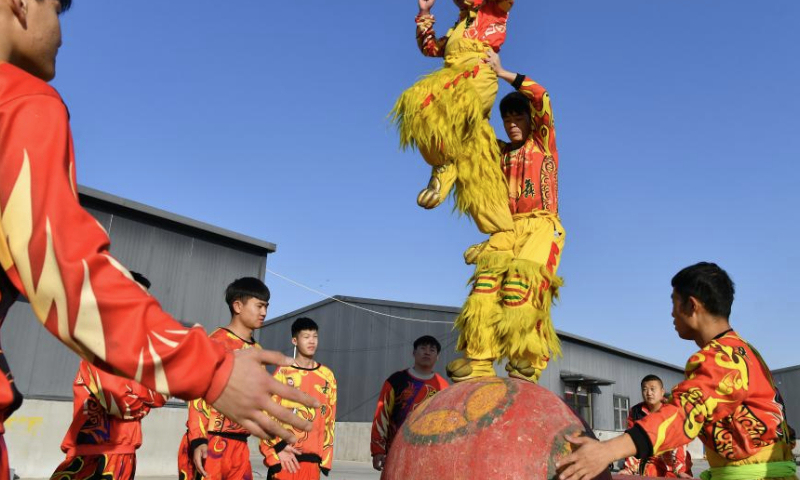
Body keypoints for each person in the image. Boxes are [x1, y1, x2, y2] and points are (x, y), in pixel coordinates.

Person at [0, 2, 317, 477]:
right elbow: (65, 273)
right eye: (56, 9)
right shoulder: (20, 102)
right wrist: (211, 371)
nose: (61, 35)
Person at [557, 262, 797, 480]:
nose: (672, 313)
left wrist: (607, 451)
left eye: (674, 302)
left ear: (692, 305)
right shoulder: (747, 351)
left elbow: (685, 413)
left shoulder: (721, 357)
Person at [428, 50, 564, 383]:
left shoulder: (543, 144)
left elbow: (541, 96)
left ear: (529, 121)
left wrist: (502, 73)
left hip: (541, 227)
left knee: (522, 285)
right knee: (485, 287)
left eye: (519, 118)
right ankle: (479, 359)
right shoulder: (500, 153)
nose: (513, 124)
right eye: (508, 120)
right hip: (505, 229)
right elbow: (470, 142)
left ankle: (526, 360)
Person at [393, 0, 516, 239]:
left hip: (476, 74)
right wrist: (425, 12)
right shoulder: (457, 26)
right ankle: (502, 233)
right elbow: (429, 48)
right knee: (476, 157)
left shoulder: (494, 9)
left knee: (423, 101)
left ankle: (442, 162)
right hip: (452, 75)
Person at [50, 272, 167, 480]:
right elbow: (122, 405)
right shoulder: (100, 346)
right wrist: (147, 393)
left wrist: (144, 393)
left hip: (125, 454)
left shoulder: (140, 353)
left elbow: (162, 391)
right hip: (93, 457)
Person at [177, 278, 272, 480]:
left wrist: (277, 445)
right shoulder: (215, 343)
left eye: (266, 306)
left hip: (240, 449)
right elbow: (197, 396)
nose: (264, 312)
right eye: (259, 306)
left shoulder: (259, 353)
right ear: (238, 306)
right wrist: (198, 440)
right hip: (210, 444)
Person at [261, 318, 337, 480]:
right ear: (294, 340)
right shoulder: (283, 373)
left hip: (312, 462)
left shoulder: (327, 376)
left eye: (315, 336)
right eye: (306, 336)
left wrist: (325, 458)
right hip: (286, 459)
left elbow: (329, 418)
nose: (312, 341)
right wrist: (273, 452)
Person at [370, 336, 448, 472]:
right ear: (414, 353)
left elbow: (446, 424)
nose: (427, 352)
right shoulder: (396, 380)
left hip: (428, 456)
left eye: (432, 349)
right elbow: (382, 416)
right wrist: (377, 450)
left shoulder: (443, 387)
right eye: (423, 348)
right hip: (396, 452)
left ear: (438, 356)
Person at [619, 375, 692, 478]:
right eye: (645, 389)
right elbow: (632, 441)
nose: (649, 393)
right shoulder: (635, 412)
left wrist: (680, 470)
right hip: (649, 459)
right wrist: (629, 469)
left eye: (653, 389)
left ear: (662, 392)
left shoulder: (673, 409)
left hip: (672, 458)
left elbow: (680, 442)